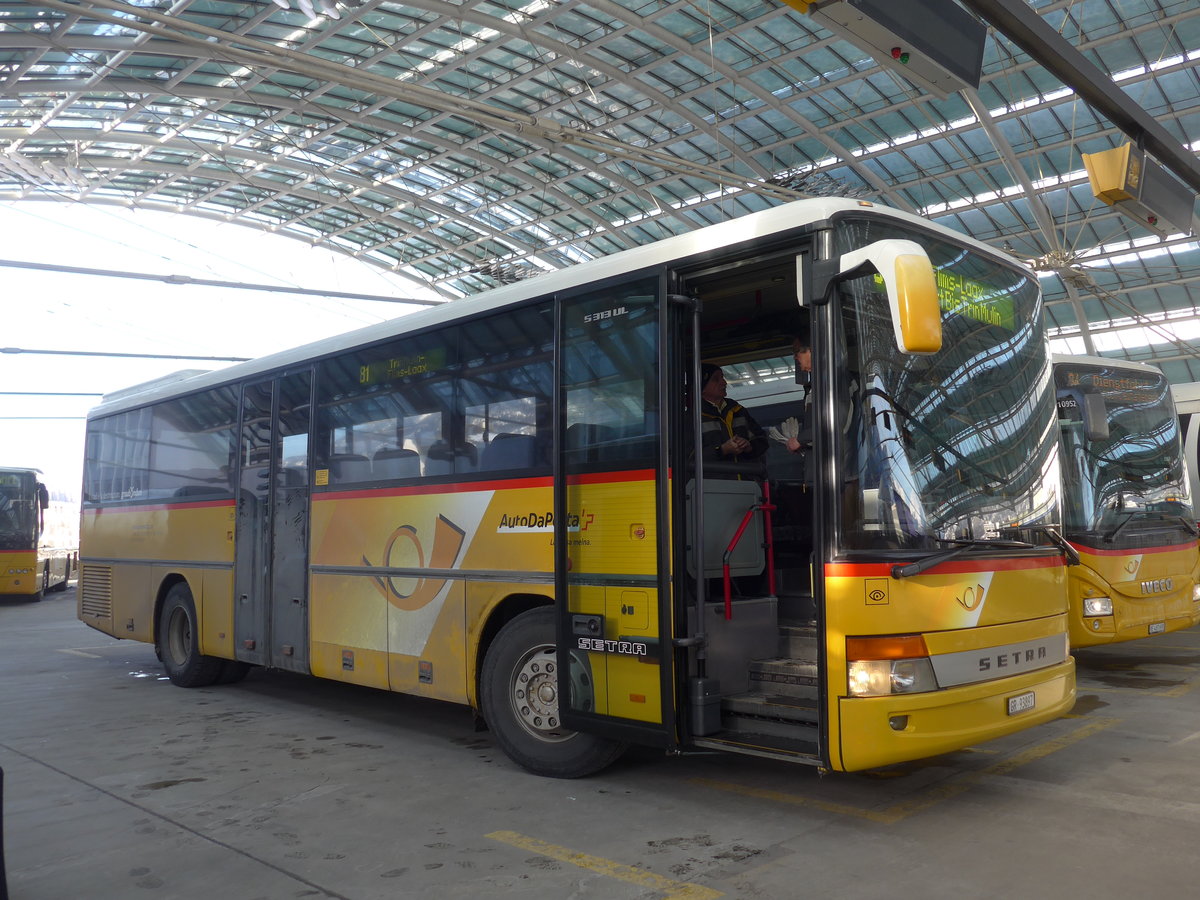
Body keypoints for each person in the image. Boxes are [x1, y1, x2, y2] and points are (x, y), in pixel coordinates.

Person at [699, 363, 768, 465]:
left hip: (748, 480)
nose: (724, 382)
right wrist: (722, 450)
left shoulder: (738, 410)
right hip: (714, 481)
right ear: (702, 388)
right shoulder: (691, 419)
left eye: (723, 378)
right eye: (716, 379)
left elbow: (762, 440)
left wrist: (749, 447)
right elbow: (687, 459)